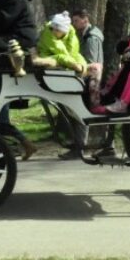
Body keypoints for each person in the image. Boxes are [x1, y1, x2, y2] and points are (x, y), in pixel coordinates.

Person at [36, 11, 89, 159]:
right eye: (53, 29)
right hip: (57, 68)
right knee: (73, 111)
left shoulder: (70, 33)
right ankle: (78, 144)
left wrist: (80, 67)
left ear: (64, 30)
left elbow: (73, 54)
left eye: (56, 30)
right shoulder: (48, 34)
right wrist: (74, 65)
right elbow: (61, 55)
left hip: (68, 73)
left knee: (76, 111)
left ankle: (79, 145)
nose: (53, 31)